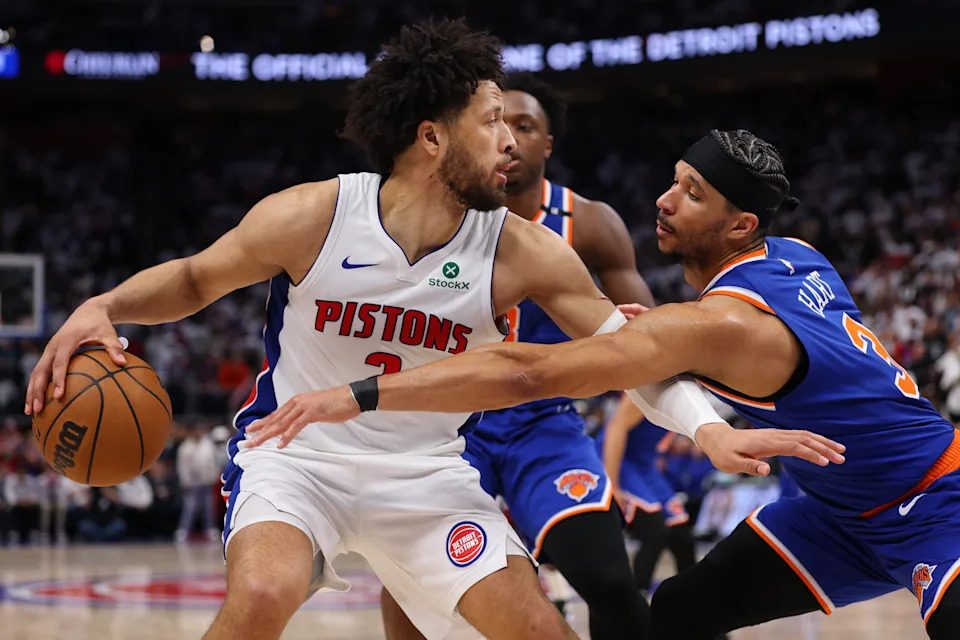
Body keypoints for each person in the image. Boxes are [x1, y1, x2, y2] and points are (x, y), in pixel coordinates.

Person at [256, 128, 959, 639]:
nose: (664, 200)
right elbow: (731, 343)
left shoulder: (718, 323)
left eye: (692, 193)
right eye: (675, 179)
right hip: (837, 514)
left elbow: (530, 368)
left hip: (936, 500)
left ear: (739, 224)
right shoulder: (796, 257)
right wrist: (657, 340)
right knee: (681, 610)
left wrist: (364, 392)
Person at [380, 72, 654, 640]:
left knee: (607, 580)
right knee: (406, 585)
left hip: (542, 419)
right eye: (500, 123)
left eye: (526, 126)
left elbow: (647, 339)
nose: (512, 136)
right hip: (454, 425)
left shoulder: (590, 223)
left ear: (547, 144)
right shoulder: (443, 215)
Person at [597, 396, 696, 598]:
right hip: (618, 460)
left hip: (644, 462)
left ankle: (694, 608)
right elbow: (616, 428)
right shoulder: (652, 382)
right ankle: (637, 609)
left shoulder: (693, 390)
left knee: (682, 536)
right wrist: (612, 484)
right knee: (655, 532)